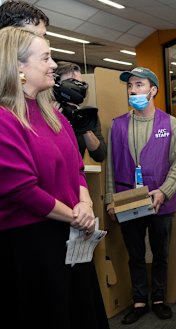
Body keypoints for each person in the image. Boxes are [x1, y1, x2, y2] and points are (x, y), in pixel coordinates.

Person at [0, 27, 109, 329]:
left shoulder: (52, 113)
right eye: (46, 57)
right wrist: (76, 216)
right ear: (18, 66)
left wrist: (85, 205)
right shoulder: (4, 119)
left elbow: (76, 168)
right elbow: (23, 190)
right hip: (33, 247)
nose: (52, 65)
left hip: (71, 237)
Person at [105, 67, 176, 324]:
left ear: (153, 90)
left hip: (161, 200)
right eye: (130, 86)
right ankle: (140, 301)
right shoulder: (117, 125)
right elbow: (111, 165)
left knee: (160, 253)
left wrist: (164, 191)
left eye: (139, 85)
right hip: (128, 201)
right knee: (136, 254)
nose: (132, 90)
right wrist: (109, 199)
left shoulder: (170, 124)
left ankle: (159, 298)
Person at [55, 61, 106, 162]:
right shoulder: (42, 111)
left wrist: (84, 126)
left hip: (75, 174)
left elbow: (99, 155)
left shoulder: (85, 115)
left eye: (80, 82)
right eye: (72, 81)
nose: (77, 87)